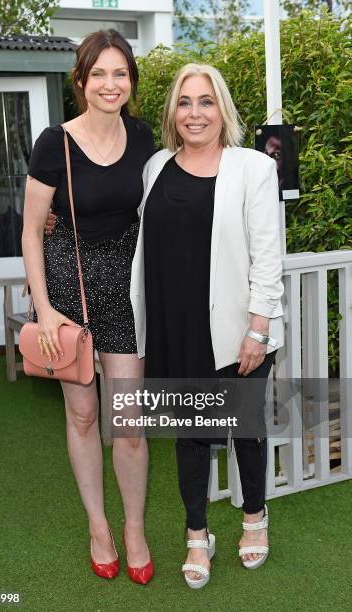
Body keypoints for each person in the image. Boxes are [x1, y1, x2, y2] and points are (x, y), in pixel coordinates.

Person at [130, 63, 284, 588]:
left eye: (206, 101)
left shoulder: (253, 169)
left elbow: (268, 259)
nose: (195, 113)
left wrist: (258, 331)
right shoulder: (155, 168)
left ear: (223, 109)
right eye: (185, 102)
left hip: (239, 329)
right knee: (190, 436)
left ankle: (254, 520)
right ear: (173, 112)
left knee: (245, 430)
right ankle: (198, 535)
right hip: (175, 329)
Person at [22, 29, 155, 584]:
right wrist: (45, 309)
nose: (109, 82)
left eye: (120, 72)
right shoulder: (55, 143)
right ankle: (99, 527)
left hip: (125, 290)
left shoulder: (145, 137)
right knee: (82, 415)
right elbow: (31, 232)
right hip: (69, 289)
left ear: (131, 82)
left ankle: (134, 528)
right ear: (80, 80)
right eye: (98, 72)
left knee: (128, 422)